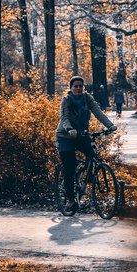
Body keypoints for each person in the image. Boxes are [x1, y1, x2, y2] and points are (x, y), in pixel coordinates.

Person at [56, 74, 115, 212]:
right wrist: (69, 129)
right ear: (71, 88)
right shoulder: (66, 100)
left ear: (84, 88)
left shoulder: (87, 98)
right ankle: (70, 200)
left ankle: (86, 181)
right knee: (69, 168)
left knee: (92, 154)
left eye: (80, 86)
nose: (78, 88)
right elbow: (64, 118)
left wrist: (110, 125)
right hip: (65, 136)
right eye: (75, 86)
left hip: (80, 134)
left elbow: (98, 113)